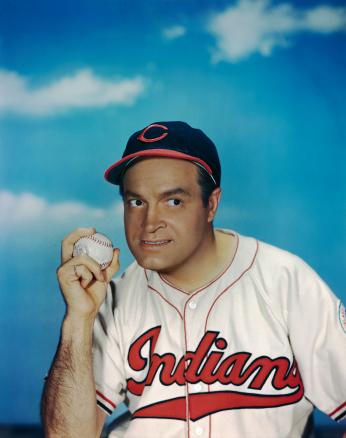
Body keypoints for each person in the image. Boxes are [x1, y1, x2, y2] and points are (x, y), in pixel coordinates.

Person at [41, 122, 346, 438]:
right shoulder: (114, 298)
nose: (150, 223)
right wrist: (78, 319)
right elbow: (66, 435)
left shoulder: (285, 281)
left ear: (211, 204)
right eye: (137, 202)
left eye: (173, 201)